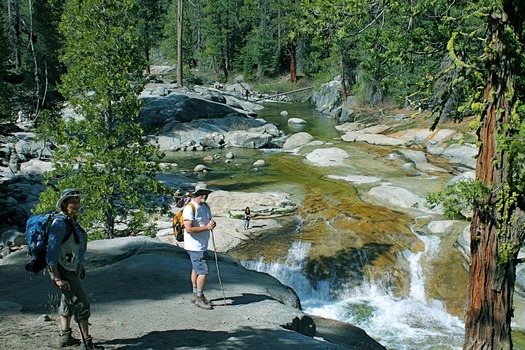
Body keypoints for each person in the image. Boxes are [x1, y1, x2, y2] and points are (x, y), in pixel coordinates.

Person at [46, 189, 103, 349]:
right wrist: (57, 277)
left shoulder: (70, 221)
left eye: (78, 201)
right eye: (73, 201)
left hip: (71, 267)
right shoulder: (59, 224)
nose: (77, 204)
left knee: (67, 301)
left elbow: (74, 246)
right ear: (65, 204)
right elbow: (52, 251)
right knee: (81, 303)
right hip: (63, 269)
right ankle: (87, 342)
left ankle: (65, 337)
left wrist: (80, 265)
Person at [183, 183, 216, 310]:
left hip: (202, 245)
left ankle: (195, 294)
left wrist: (211, 224)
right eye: (202, 193)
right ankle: (200, 298)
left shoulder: (206, 206)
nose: (205, 196)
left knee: (196, 269)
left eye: (206, 193)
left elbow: (207, 221)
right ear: (196, 194)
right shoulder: (190, 208)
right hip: (194, 246)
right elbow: (189, 229)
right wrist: (207, 228)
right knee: (203, 271)